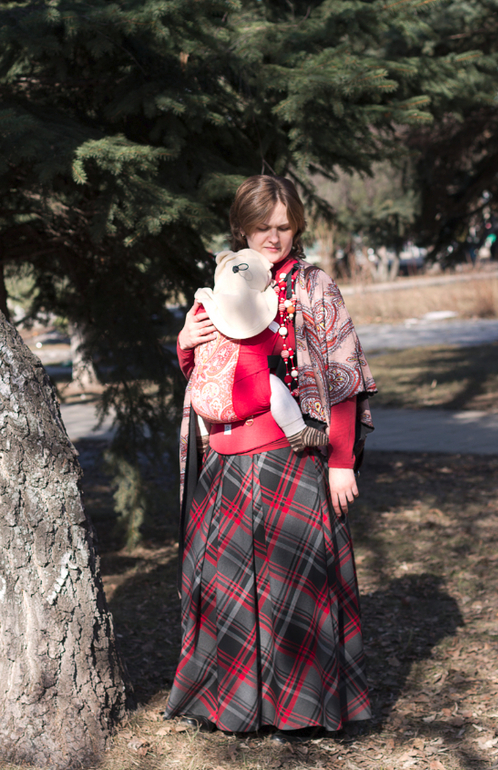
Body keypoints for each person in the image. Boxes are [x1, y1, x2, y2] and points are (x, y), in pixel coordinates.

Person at [164, 175, 377, 738]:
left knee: (294, 592)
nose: (274, 238)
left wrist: (340, 461)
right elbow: (206, 378)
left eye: (284, 227)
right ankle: (238, 707)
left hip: (292, 462)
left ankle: (302, 710)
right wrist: (185, 342)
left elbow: (343, 378)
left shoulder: (314, 285)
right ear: (241, 227)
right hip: (226, 466)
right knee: (227, 590)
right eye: (262, 227)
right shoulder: (223, 284)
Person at [189, 247, 329, 454]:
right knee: (273, 386)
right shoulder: (257, 312)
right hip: (238, 398)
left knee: (197, 386)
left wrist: (184, 341)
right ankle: (297, 431)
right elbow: (276, 334)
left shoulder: (203, 307)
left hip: (204, 402)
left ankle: (202, 438)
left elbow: (189, 360)